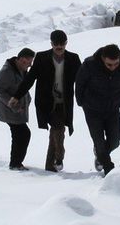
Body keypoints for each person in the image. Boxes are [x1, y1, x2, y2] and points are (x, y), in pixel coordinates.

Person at [12, 30, 82, 172]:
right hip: (46, 103)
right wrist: (17, 96)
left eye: (61, 44)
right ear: (51, 43)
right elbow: (30, 79)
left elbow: (81, 80)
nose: (59, 47)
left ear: (66, 43)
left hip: (64, 103)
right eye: (56, 44)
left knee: (57, 131)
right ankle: (59, 156)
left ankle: (50, 166)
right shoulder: (42, 58)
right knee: (58, 129)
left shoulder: (73, 59)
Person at [75, 44, 120, 175]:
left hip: (112, 108)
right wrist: (81, 102)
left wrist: (119, 100)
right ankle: (109, 169)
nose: (113, 67)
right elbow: (79, 83)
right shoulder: (90, 65)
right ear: (102, 59)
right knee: (99, 141)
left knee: (115, 141)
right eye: (109, 65)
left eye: (115, 64)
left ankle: (101, 154)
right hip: (92, 109)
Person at [0, 48, 36, 170]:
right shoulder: (7, 71)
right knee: (22, 134)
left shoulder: (21, 70)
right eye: (29, 62)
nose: (30, 64)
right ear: (22, 59)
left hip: (19, 111)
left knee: (21, 134)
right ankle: (15, 163)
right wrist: (13, 104)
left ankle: (16, 163)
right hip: (10, 111)